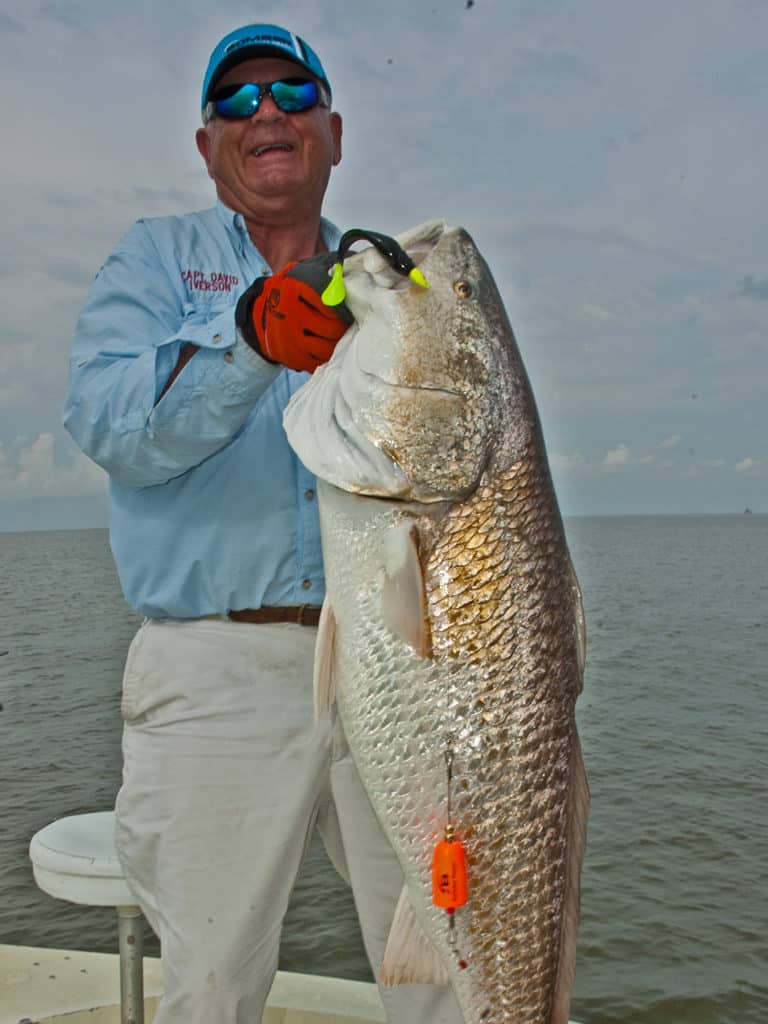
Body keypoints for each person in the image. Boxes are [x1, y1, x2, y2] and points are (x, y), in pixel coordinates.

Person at [63, 22, 464, 1024]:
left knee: (451, 962)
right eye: (237, 101)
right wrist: (247, 335)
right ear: (208, 146)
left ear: (333, 129)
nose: (267, 113)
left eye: (291, 93)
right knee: (211, 986)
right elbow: (110, 425)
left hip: (397, 659)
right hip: (213, 668)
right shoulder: (152, 261)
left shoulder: (389, 285)